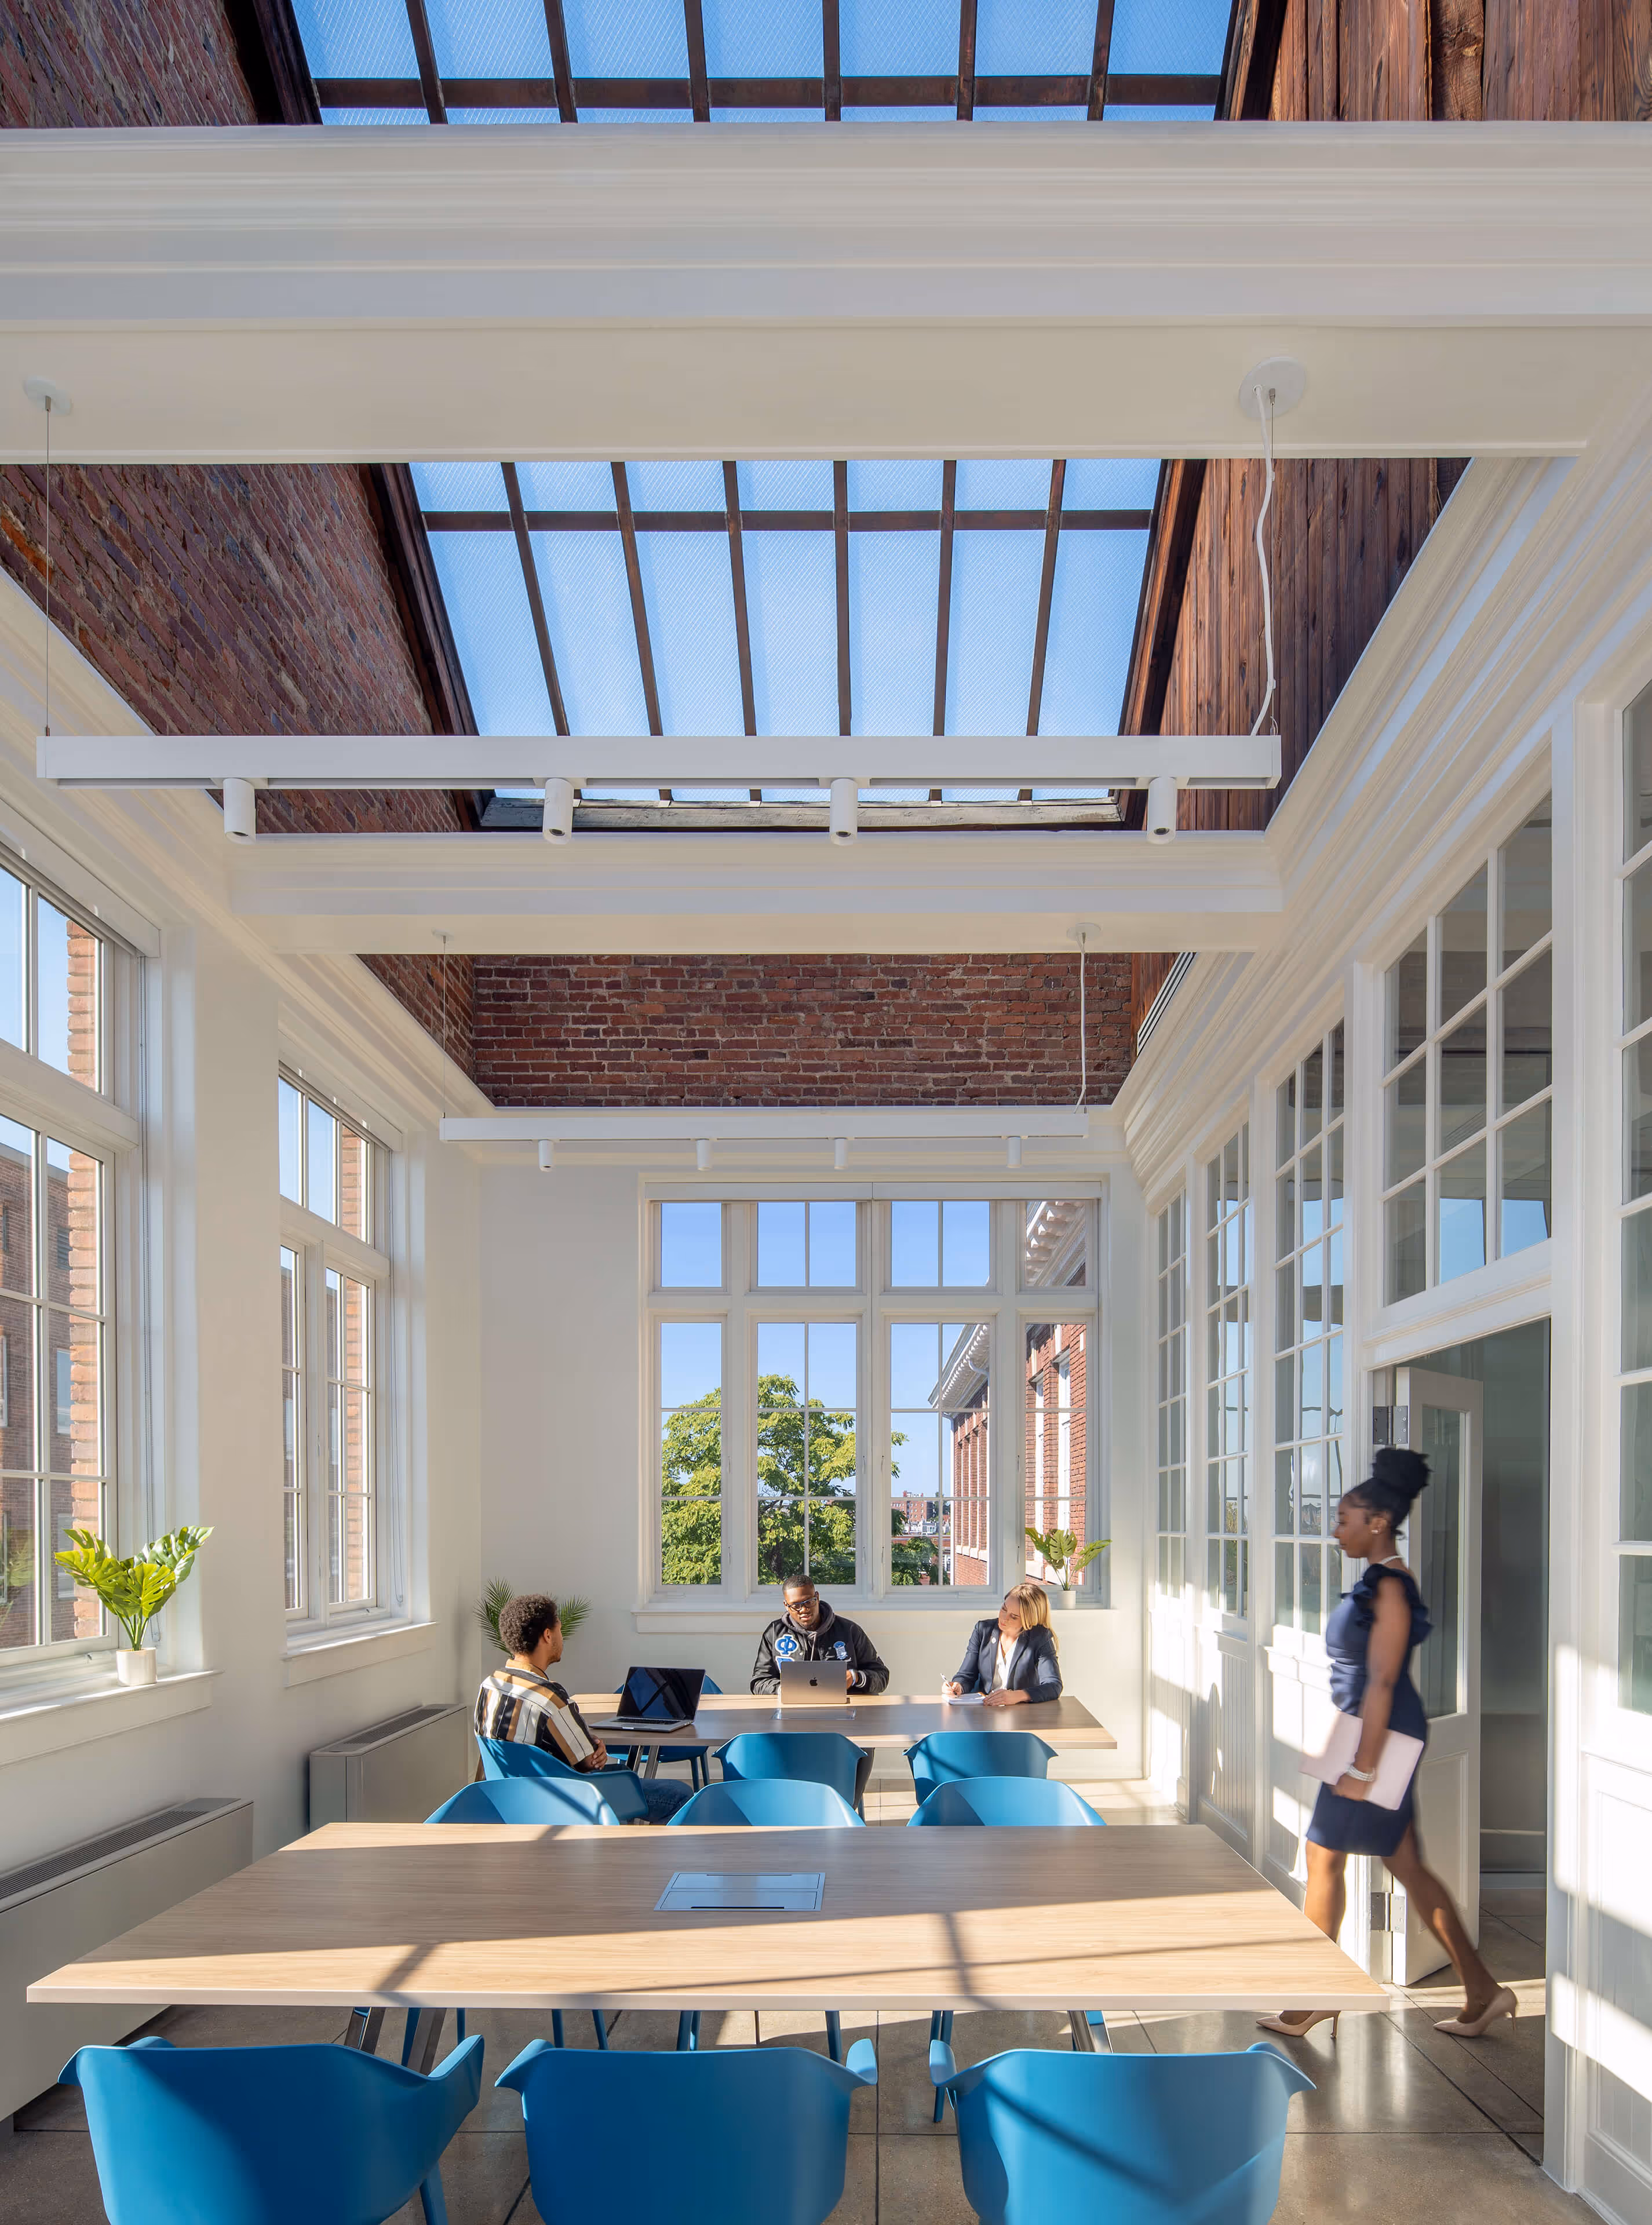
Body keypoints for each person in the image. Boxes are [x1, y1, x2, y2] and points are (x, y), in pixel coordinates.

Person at [1259, 1449, 1516, 2041]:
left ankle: (1313, 1999)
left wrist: (1365, 1768)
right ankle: (1483, 1991)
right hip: (1365, 1730)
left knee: (1323, 1858)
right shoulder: (1377, 1582)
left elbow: (1381, 1680)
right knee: (1406, 1866)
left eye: (1345, 1518)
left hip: (1381, 1738)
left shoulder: (1392, 1587)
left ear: (1377, 1522)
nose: (1335, 1528)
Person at [476, 1592, 690, 1823]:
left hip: (510, 1799)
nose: (561, 1636)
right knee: (680, 1795)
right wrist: (594, 1748)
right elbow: (589, 1761)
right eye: (558, 1628)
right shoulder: (550, 1699)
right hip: (567, 1798)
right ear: (548, 1635)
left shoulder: (489, 1686)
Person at [750, 1576, 889, 1695]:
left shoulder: (849, 1630)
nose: (804, 1610)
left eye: (808, 1602)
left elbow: (882, 1677)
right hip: (792, 1710)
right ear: (786, 1606)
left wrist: (855, 1677)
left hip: (846, 1708)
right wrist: (783, 1690)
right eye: (796, 1606)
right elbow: (759, 1682)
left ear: (817, 1597)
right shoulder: (775, 1633)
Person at [944, 1582, 1063, 1706]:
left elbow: (1054, 1685)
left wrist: (1018, 1696)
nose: (1004, 1618)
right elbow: (966, 1675)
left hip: (1021, 1714)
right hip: (985, 1712)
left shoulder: (1040, 1637)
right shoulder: (983, 1630)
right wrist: (958, 1685)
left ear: (1029, 1620)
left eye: (1014, 1617)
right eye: (1004, 1609)